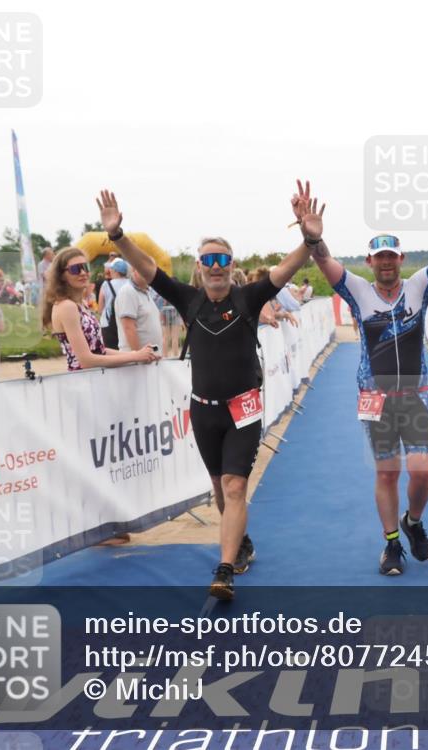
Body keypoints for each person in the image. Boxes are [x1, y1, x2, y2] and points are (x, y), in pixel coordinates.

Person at [95, 182, 321, 600]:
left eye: (222, 259)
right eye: (208, 260)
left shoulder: (249, 297)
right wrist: (117, 235)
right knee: (220, 490)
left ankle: (224, 569)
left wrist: (308, 240)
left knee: (236, 486)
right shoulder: (188, 299)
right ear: (199, 268)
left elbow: (284, 270)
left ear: (231, 265)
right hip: (204, 412)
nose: (215, 267)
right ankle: (242, 543)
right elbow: (147, 269)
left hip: (244, 409)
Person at [309, 172, 428, 575]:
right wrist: (315, 238)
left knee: (422, 472)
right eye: (379, 257)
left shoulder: (419, 286)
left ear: (401, 260)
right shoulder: (356, 290)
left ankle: (414, 521)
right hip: (375, 397)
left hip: (416, 393)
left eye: (392, 256)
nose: (386, 263)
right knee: (387, 471)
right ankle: (391, 545)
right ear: (370, 262)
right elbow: (323, 261)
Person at [41, 247, 160, 371]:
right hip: (83, 382)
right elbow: (86, 360)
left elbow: (99, 350)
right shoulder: (67, 306)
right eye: (75, 269)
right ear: (62, 276)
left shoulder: (79, 304)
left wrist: (137, 355)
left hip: (93, 379)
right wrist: (135, 356)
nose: (82, 273)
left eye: (85, 267)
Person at [115, 262, 164, 352]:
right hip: (137, 362)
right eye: (144, 270)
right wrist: (138, 355)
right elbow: (128, 327)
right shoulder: (128, 291)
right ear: (134, 271)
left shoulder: (146, 292)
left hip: (148, 359)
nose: (148, 273)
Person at [98, 258, 130, 348]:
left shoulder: (106, 285)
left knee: (112, 353)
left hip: (109, 325)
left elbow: (100, 308)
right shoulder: (131, 284)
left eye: (111, 269)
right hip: (128, 323)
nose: (109, 271)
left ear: (116, 271)